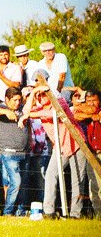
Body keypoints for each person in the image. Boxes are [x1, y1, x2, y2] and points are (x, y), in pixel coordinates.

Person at [23, 82, 86, 219]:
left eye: (43, 94)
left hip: (77, 143)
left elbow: (54, 113)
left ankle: (76, 214)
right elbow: (25, 112)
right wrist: (33, 93)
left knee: (78, 180)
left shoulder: (60, 102)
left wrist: (29, 115)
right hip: (61, 147)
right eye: (38, 96)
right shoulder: (39, 107)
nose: (41, 97)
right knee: (51, 175)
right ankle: (49, 212)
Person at [0, 87, 30, 216]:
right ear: (7, 99)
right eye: (14, 100)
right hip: (9, 153)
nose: (17, 103)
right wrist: (6, 112)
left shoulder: (22, 109)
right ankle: (7, 212)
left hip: (23, 152)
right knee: (15, 182)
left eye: (19, 100)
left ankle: (20, 212)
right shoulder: (1, 107)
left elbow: (28, 111)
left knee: (22, 185)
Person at [74, 90, 101, 217]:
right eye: (88, 101)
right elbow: (76, 115)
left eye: (94, 100)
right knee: (94, 186)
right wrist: (91, 116)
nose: (91, 103)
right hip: (91, 153)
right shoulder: (86, 113)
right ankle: (98, 215)